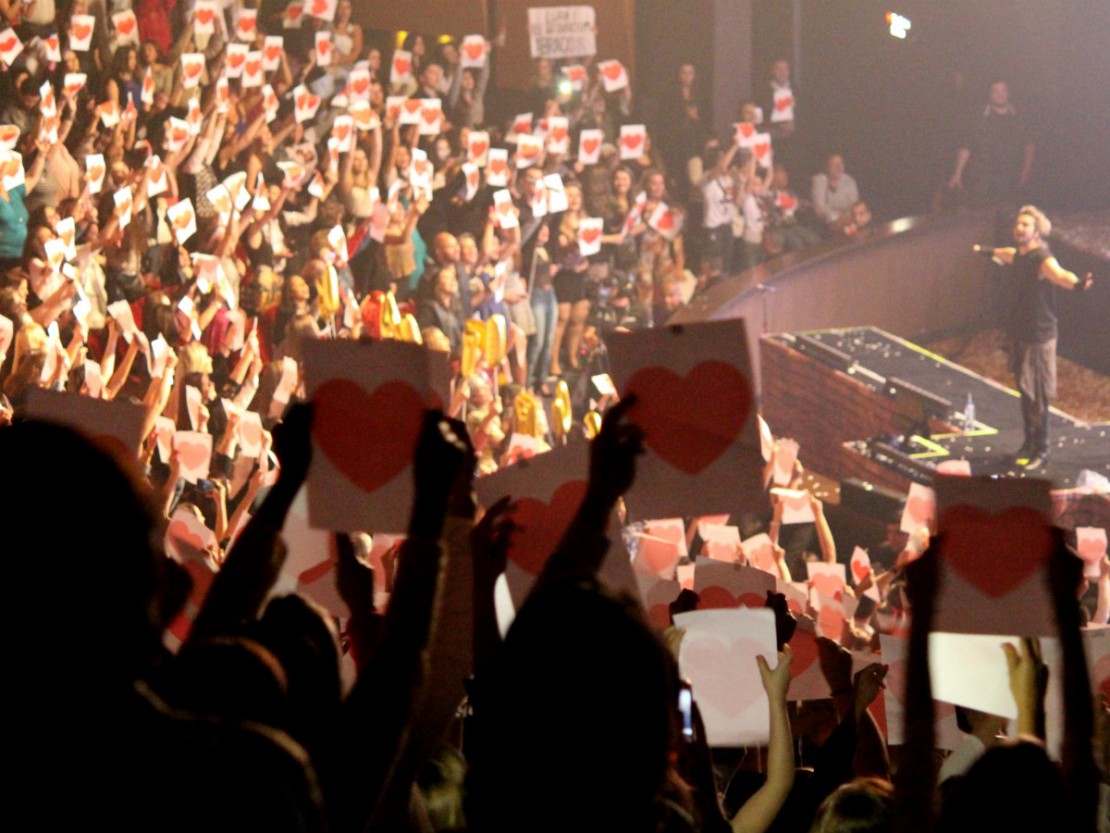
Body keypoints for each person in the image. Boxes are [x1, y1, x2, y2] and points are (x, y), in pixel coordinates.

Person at [973, 205, 1092, 469]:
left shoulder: (1042, 259)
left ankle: (1042, 448)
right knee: (1025, 393)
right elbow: (1006, 254)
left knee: (1038, 395)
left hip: (1039, 336)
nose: (1019, 228)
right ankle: (1028, 443)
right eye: (1018, 224)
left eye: (1025, 225)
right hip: (1020, 333)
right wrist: (986, 251)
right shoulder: (1019, 255)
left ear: (1036, 232)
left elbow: (1060, 275)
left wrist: (1077, 284)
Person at [948, 80, 1035, 219]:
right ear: (990, 94)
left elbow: (1029, 146)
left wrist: (1026, 171)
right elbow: (966, 146)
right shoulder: (979, 118)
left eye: (1003, 90)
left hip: (1010, 180)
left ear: (1008, 92)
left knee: (1011, 220)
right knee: (981, 220)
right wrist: (957, 173)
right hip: (983, 181)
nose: (1000, 95)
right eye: (996, 91)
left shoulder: (1019, 118)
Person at [811, 153, 860, 232]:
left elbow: (854, 205)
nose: (838, 167)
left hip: (847, 220)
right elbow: (819, 208)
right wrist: (838, 216)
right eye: (834, 164)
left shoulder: (850, 181)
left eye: (840, 163)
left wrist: (846, 219)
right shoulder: (819, 180)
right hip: (825, 222)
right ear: (826, 167)